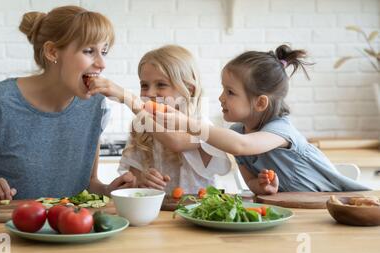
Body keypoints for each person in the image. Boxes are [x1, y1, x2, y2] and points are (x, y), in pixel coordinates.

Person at [0, 5, 136, 203]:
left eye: (104, 51)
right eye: (89, 51)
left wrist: (109, 190)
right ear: (52, 52)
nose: (102, 64)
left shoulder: (95, 106)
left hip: (58, 230)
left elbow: (89, 182)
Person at [152, 44, 371, 195]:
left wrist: (185, 122)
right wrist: (264, 186)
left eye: (230, 92)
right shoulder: (237, 133)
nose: (221, 97)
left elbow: (241, 146)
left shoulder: (280, 130)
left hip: (339, 202)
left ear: (260, 103)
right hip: (295, 210)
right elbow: (252, 184)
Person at [87, 45, 231, 194]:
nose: (149, 93)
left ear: (188, 89)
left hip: (196, 212)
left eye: (161, 85)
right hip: (157, 214)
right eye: (144, 85)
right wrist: (142, 180)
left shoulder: (200, 124)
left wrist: (128, 99)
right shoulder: (140, 127)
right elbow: (133, 180)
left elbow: (174, 141)